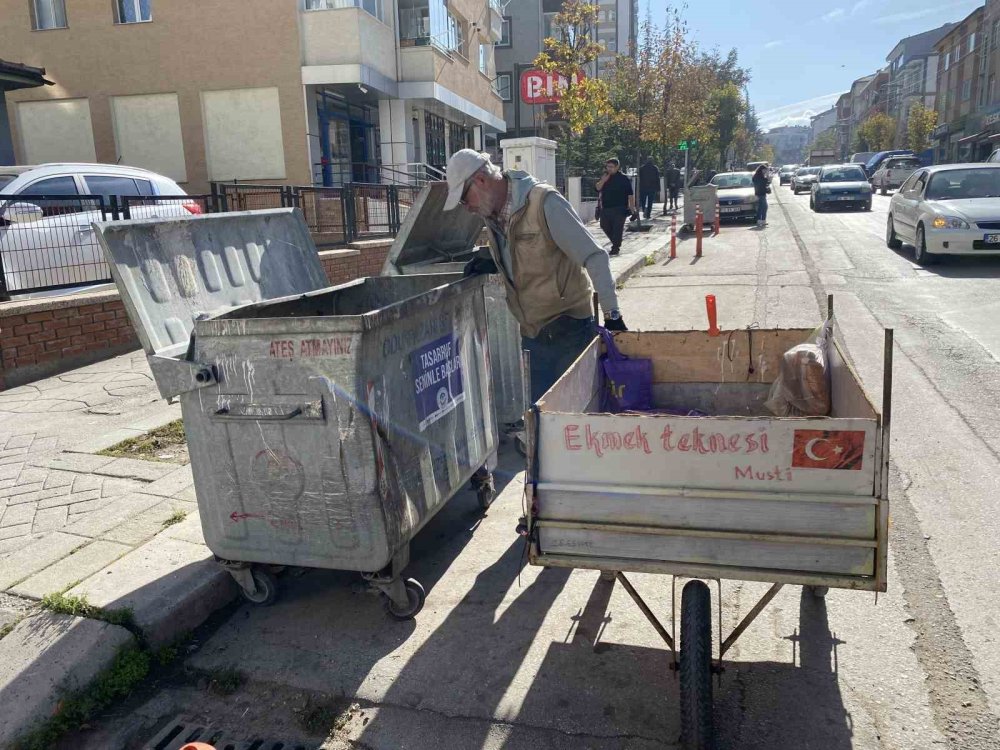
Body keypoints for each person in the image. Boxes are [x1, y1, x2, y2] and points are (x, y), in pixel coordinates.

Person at [443, 149, 628, 406]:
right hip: (533, 335)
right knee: (541, 420)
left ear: (481, 180)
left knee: (574, 418)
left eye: (464, 199)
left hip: (570, 331)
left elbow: (594, 256)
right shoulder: (493, 215)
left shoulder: (543, 202)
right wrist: (491, 260)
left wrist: (613, 316)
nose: (467, 208)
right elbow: (525, 254)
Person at [595, 158, 637, 256]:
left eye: (611, 167)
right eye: (607, 166)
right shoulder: (605, 176)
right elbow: (597, 188)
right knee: (604, 226)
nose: (609, 169)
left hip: (620, 208)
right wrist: (603, 180)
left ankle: (615, 248)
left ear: (617, 167)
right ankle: (616, 242)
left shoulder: (624, 179)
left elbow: (630, 195)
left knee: (617, 228)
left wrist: (632, 209)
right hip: (605, 208)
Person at [751, 163, 769, 228]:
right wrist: (767, 177)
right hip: (761, 194)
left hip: (760, 193)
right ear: (762, 170)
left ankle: (761, 221)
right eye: (765, 170)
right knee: (763, 207)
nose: (765, 171)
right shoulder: (759, 176)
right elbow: (763, 183)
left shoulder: (757, 176)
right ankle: (761, 220)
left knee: (762, 207)